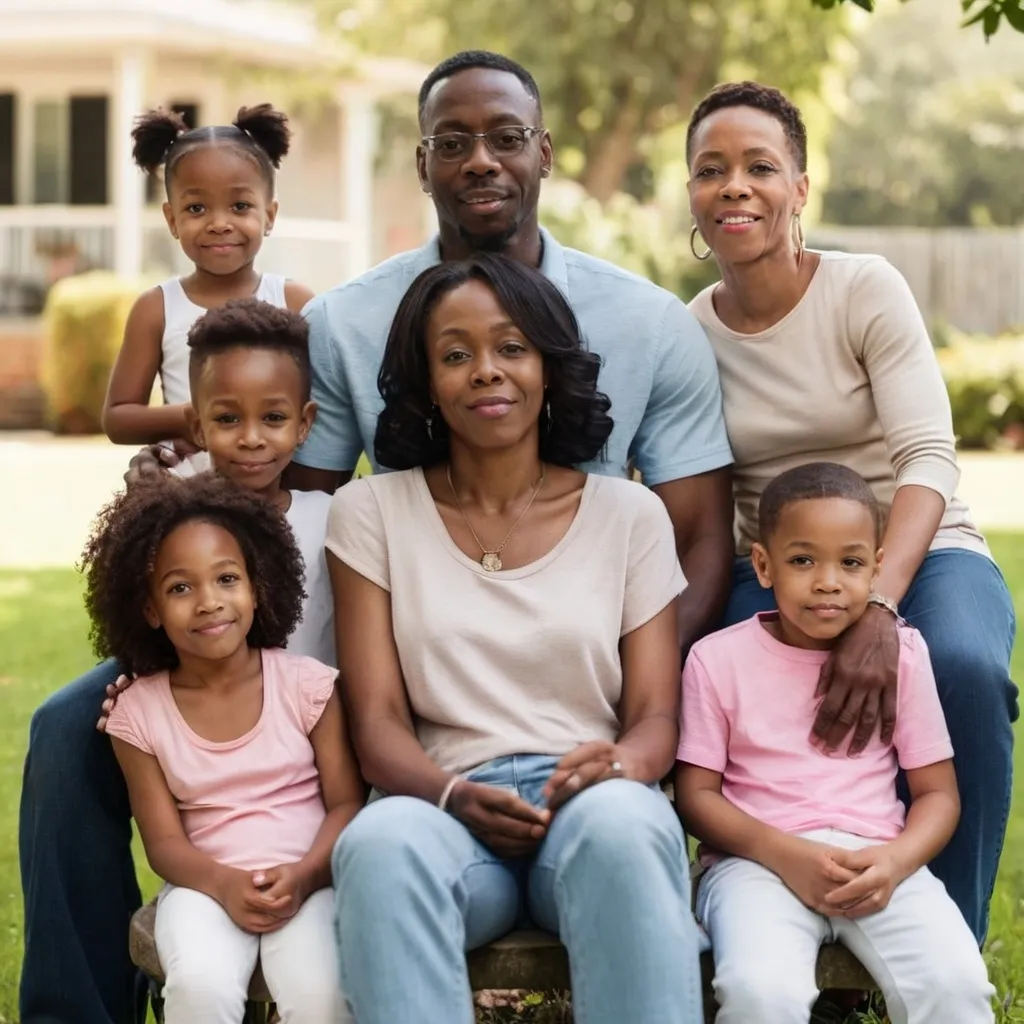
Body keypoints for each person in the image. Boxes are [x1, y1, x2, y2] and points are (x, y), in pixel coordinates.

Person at [20, 50, 734, 1024]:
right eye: (453, 142)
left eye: (505, 137)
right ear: (421, 162)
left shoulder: (647, 324)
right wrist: (177, 494)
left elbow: (696, 540)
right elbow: (286, 492)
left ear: (545, 154)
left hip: (589, 671)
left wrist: (627, 707)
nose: (480, 160)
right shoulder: (355, 323)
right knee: (76, 723)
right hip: (368, 638)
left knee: (613, 826)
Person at [329, 252, 704, 1024]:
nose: (487, 372)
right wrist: (452, 794)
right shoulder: (370, 514)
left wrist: (625, 763)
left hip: (587, 802)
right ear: (427, 381)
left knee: (628, 824)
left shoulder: (629, 517)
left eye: (511, 348)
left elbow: (657, 715)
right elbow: (375, 726)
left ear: (547, 364)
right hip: (442, 808)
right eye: (456, 355)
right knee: (379, 844)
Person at [684, 80, 1017, 943]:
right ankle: (767, 922)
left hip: (918, 544)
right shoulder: (690, 333)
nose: (735, 186)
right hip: (775, 563)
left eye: (761, 166)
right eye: (711, 169)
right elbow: (699, 496)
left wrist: (879, 602)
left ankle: (946, 935)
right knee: (706, 684)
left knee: (963, 668)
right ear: (690, 193)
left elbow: (927, 458)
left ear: (800, 187)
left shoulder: (865, 288)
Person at [674, 462, 995, 1024]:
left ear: (876, 568)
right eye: (803, 560)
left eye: (849, 563)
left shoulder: (905, 653)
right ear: (763, 565)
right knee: (759, 992)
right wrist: (784, 854)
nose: (827, 581)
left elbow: (939, 795)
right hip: (755, 866)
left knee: (956, 983)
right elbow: (696, 795)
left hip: (877, 864)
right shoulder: (717, 658)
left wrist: (894, 863)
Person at [82, 473, 363, 1023]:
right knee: (199, 987)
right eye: (180, 588)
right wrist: (225, 885)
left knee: (321, 993)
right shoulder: (136, 715)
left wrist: (304, 875)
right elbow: (163, 845)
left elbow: (347, 805)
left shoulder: (308, 687)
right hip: (201, 886)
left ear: (257, 587)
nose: (209, 603)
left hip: (310, 878)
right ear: (150, 610)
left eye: (227, 578)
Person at [101, 104, 314, 475]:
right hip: (186, 500)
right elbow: (118, 418)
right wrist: (199, 418)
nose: (219, 223)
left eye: (240, 206)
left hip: (277, 495)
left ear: (269, 216)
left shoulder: (296, 302)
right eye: (197, 208)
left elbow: (319, 405)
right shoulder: (157, 308)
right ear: (172, 219)